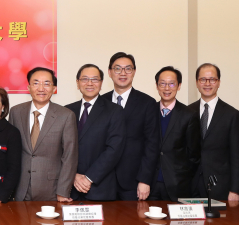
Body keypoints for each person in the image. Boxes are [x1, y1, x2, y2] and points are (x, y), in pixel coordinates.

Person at [8, 67, 78, 202]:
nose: (41, 88)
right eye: (36, 83)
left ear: (54, 88)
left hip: (51, 190)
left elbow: (70, 156)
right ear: (28, 87)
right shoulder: (16, 112)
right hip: (19, 189)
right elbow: (11, 152)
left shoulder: (66, 116)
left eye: (47, 83)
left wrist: (63, 191)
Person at [99, 52, 160, 201]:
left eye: (128, 69)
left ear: (134, 72)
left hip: (133, 181)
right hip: (103, 179)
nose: (123, 73)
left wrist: (145, 180)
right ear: (110, 72)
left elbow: (152, 144)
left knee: (133, 223)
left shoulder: (147, 103)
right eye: (118, 68)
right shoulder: (101, 102)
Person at [66, 64, 125, 201]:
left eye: (95, 79)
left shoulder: (114, 111)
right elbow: (60, 149)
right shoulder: (67, 111)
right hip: (69, 188)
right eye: (85, 79)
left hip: (100, 188)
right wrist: (73, 175)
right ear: (77, 83)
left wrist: (88, 178)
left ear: (101, 83)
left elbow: (114, 150)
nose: (90, 83)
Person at [187, 63, 239, 201]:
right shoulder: (186, 112)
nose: (207, 83)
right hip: (190, 184)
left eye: (212, 79)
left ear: (219, 83)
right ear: (197, 83)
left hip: (220, 185)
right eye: (203, 79)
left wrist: (235, 190)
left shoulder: (232, 115)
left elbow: (237, 157)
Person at [150, 66, 200, 201]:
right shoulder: (149, 111)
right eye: (163, 83)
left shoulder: (189, 115)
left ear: (179, 86)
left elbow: (193, 155)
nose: (167, 88)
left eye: (172, 83)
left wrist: (182, 176)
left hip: (177, 185)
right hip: (150, 184)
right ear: (157, 86)